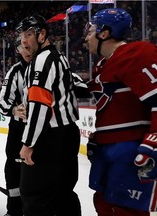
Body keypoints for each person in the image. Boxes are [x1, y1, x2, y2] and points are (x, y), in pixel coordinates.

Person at [84, 8, 157, 216]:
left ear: (104, 33)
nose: (87, 37)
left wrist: (154, 140)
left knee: (126, 210)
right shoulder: (102, 65)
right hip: (110, 149)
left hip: (129, 149)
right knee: (105, 203)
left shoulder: (137, 54)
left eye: (91, 31)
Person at [15, 15, 81, 216]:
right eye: (21, 37)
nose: (24, 41)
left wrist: (28, 144)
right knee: (63, 193)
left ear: (42, 34)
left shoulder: (42, 61)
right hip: (68, 134)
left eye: (28, 35)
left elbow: (40, 106)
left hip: (49, 138)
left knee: (35, 196)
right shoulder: (58, 57)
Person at [0, 36, 32, 216]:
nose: (26, 51)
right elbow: (2, 101)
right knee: (13, 170)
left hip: (45, 131)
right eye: (21, 48)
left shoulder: (49, 65)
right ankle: (14, 210)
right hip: (18, 130)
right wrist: (13, 110)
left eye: (28, 46)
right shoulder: (15, 71)